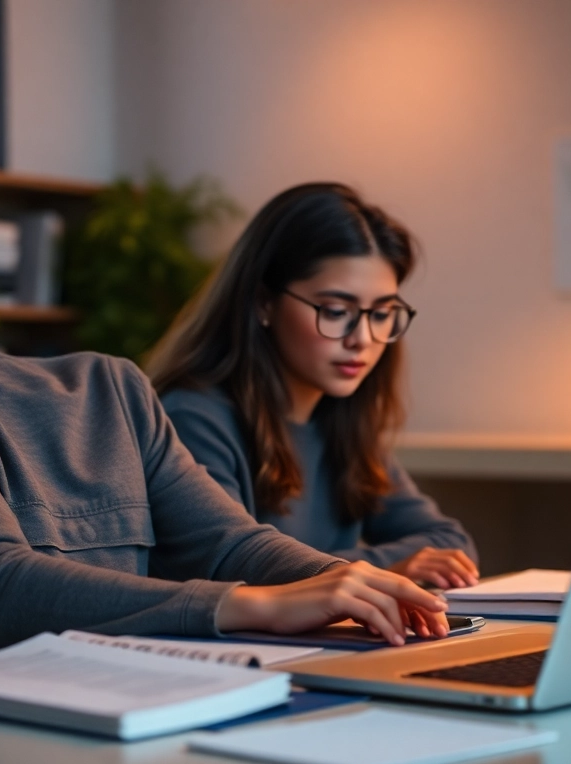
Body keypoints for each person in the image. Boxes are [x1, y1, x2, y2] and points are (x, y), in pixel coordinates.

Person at [0, 348, 449, 670]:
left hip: (104, 703)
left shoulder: (121, 391)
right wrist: (250, 604)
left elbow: (229, 542)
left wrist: (334, 579)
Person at [147, 182, 480, 590]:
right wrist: (383, 567)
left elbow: (450, 544)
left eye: (381, 314)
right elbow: (231, 568)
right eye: (337, 311)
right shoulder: (193, 416)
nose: (362, 338)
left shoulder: (342, 420)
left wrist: (355, 569)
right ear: (263, 303)